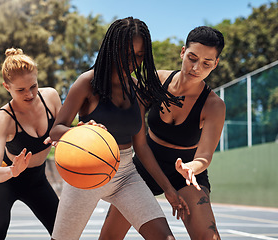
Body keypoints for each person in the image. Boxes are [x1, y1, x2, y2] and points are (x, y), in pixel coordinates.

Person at [47, 17, 190, 240]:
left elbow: (141, 147)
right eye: (128, 53)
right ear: (113, 49)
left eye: (140, 55)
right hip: (86, 171)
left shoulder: (137, 90)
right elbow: (56, 130)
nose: (134, 61)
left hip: (125, 174)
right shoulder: (87, 83)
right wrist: (81, 132)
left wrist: (169, 189)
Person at [99, 26, 225, 240]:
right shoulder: (156, 82)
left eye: (206, 63)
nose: (196, 67)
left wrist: (190, 167)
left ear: (216, 64)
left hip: (186, 174)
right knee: (109, 237)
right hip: (145, 164)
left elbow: (204, 156)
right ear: (183, 52)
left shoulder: (214, 105)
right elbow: (129, 123)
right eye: (192, 58)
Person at [0, 48, 61, 240]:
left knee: (64, 232)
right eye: (21, 90)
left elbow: (67, 131)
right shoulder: (3, 119)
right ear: (6, 87)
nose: (30, 94)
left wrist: (84, 131)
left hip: (37, 180)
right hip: (5, 181)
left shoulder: (50, 97)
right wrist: (12, 171)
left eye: (33, 86)